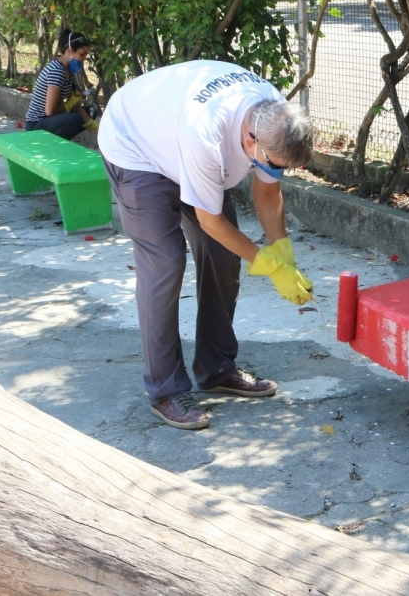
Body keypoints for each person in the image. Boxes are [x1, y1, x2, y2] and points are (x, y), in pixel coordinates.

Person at [98, 60, 314, 430]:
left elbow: (267, 188)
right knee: (165, 262)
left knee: (223, 254)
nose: (275, 169)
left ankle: (216, 368)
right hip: (136, 147)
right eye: (274, 163)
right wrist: (270, 267)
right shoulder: (206, 134)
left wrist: (283, 252)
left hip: (175, 136)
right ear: (250, 139)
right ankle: (165, 390)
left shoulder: (274, 115)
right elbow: (209, 221)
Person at [25, 29, 98, 139]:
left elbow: (75, 103)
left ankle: (57, 143)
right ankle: (52, 148)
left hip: (48, 121)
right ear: (69, 50)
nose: (84, 59)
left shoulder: (68, 70)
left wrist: (94, 126)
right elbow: (50, 111)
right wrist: (68, 105)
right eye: (82, 54)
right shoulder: (56, 71)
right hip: (36, 124)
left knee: (90, 112)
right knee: (75, 119)